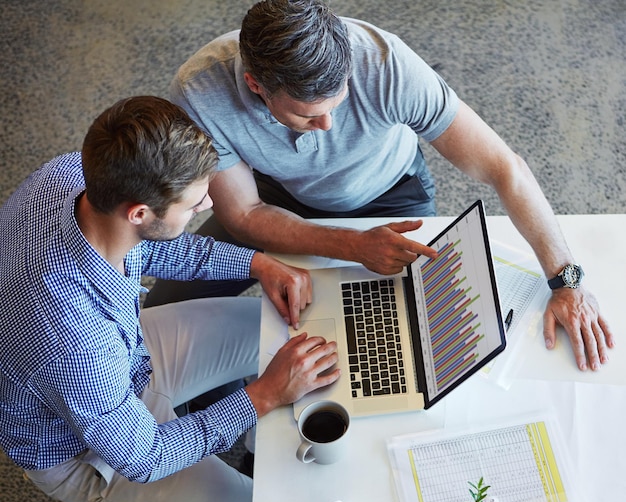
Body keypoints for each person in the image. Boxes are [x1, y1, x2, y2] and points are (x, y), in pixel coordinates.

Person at [144, 0, 613, 373]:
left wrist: (565, 278)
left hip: (392, 194)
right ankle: (211, 417)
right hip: (273, 198)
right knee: (163, 311)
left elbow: (504, 168)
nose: (328, 126)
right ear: (256, 85)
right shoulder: (200, 91)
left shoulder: (387, 64)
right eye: (308, 115)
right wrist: (350, 245)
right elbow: (243, 215)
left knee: (404, 341)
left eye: (339, 103)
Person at [0, 95, 339, 502]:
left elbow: (159, 249)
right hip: (89, 450)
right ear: (139, 212)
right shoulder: (70, 337)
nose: (209, 203)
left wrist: (256, 262)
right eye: (195, 199)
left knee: (287, 333)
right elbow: (145, 456)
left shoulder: (73, 174)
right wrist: (260, 397)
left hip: (124, 356)